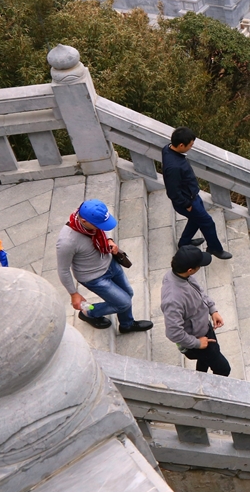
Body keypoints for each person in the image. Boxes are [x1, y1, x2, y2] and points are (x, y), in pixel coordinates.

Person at [57, 199, 152, 333]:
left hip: (110, 263)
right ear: (84, 221)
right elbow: (63, 270)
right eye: (98, 225)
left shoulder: (90, 221)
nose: (101, 227)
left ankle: (127, 325)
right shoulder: (67, 241)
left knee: (128, 294)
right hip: (94, 277)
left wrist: (109, 240)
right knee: (123, 302)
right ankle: (88, 313)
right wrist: (74, 293)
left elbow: (102, 231)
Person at [162, 127, 232, 260]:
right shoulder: (174, 167)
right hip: (187, 201)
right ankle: (215, 248)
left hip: (191, 195)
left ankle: (184, 243)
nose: (191, 147)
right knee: (208, 223)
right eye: (190, 145)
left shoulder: (167, 149)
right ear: (181, 145)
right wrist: (186, 204)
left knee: (196, 220)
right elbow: (172, 191)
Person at [162, 246, 229, 376]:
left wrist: (212, 310)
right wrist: (197, 343)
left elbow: (199, 292)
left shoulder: (181, 275)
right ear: (190, 270)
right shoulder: (173, 300)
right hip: (196, 340)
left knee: (206, 360)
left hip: (204, 329)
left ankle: (200, 376)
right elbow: (173, 333)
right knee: (223, 369)